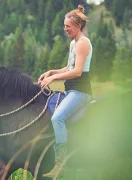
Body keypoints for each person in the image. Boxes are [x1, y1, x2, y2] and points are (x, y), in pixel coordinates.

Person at [38, 5, 93, 178]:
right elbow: (69, 67)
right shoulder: (73, 43)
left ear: (78, 26)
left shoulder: (83, 43)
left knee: (57, 118)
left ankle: (60, 164)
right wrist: (53, 72)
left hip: (80, 92)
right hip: (70, 90)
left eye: (68, 26)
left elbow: (77, 72)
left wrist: (53, 79)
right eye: (64, 25)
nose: (65, 29)